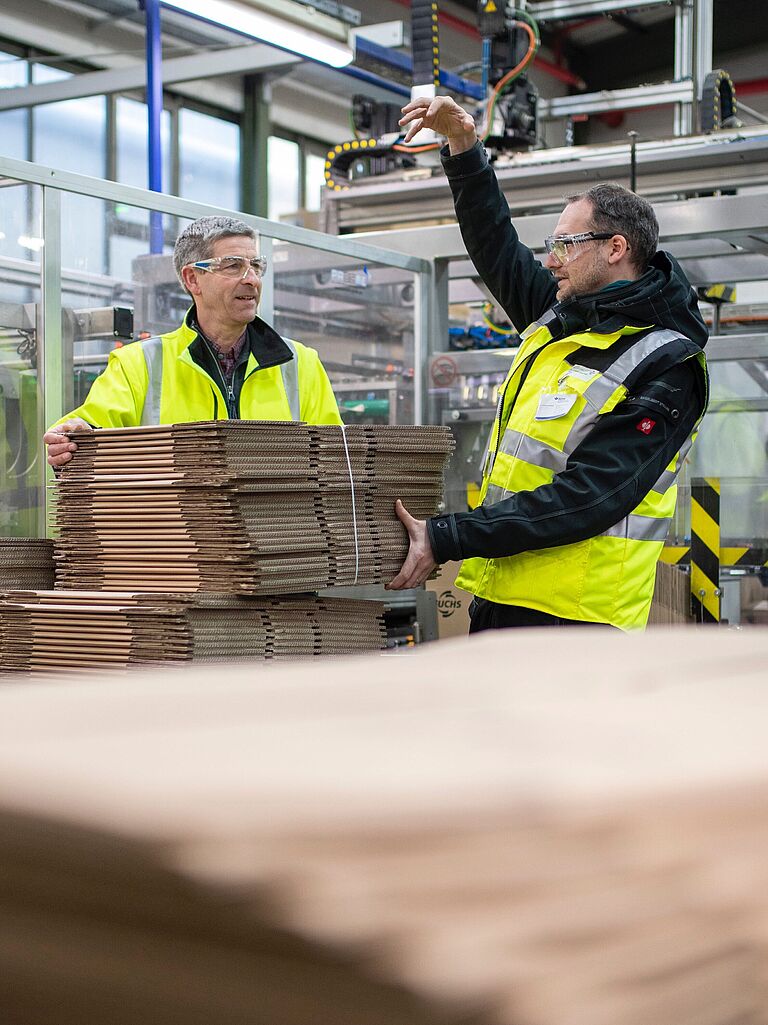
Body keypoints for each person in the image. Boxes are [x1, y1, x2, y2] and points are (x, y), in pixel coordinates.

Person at [387, 96, 709, 632]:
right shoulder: (564, 317)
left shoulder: (667, 361)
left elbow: (591, 496)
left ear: (615, 249)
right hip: (504, 594)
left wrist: (450, 536)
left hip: (578, 620)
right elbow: (496, 248)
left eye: (565, 243)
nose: (551, 258)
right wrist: (465, 149)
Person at [44, 215, 341, 468]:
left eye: (256, 266)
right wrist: (71, 437)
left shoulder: (300, 364)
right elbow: (89, 429)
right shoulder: (137, 366)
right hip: (175, 534)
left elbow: (338, 459)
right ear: (192, 279)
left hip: (276, 534)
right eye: (233, 266)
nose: (252, 279)